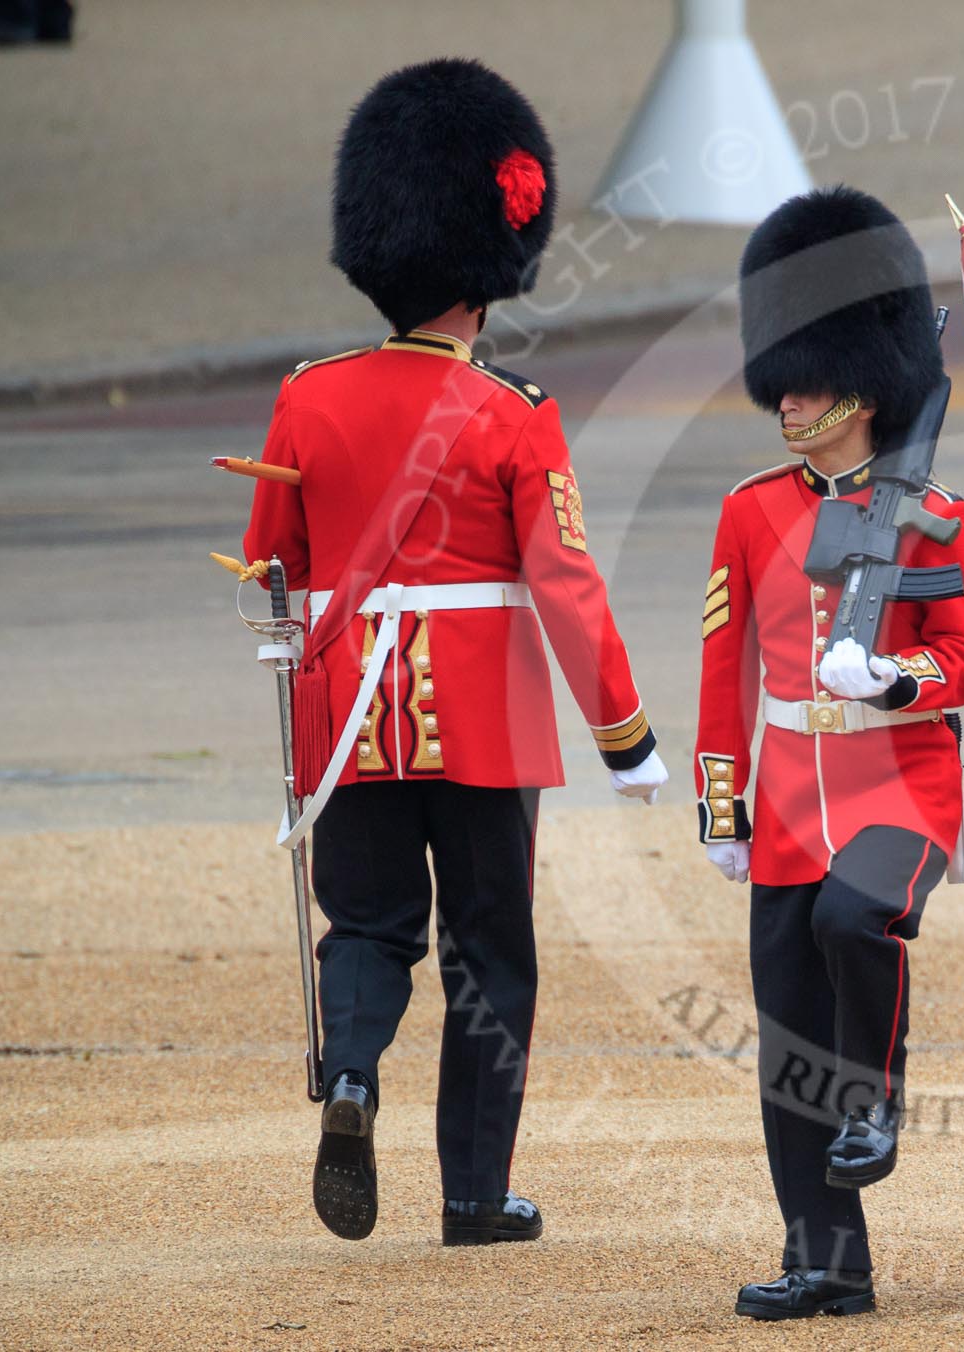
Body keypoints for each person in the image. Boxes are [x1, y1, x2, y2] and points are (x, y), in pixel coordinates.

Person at [240, 58, 669, 1247]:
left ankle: (354, 1073)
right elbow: (567, 585)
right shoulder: (513, 409)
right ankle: (476, 1195)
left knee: (367, 925)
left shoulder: (305, 398)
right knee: (489, 954)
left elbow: (274, 566)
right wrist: (624, 731)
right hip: (482, 715)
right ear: (490, 273)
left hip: (348, 719)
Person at [697, 186, 964, 1319]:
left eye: (812, 381)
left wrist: (896, 676)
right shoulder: (748, 511)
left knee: (849, 921)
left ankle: (877, 1097)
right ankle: (829, 1259)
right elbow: (724, 671)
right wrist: (724, 812)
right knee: (786, 1044)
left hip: (903, 784)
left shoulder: (940, 516)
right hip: (784, 798)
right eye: (786, 380)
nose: (792, 400)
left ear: (864, 390)